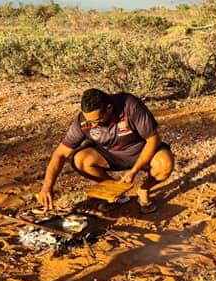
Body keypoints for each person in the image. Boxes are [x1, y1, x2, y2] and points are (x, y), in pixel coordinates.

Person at [37, 88, 174, 214]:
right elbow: (60, 154)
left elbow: (153, 140)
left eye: (96, 120)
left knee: (165, 163)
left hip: (141, 152)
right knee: (80, 160)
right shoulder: (84, 121)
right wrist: (47, 186)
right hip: (111, 155)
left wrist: (134, 171)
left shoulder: (130, 105)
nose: (93, 124)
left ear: (109, 108)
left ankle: (144, 190)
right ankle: (115, 193)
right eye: (88, 120)